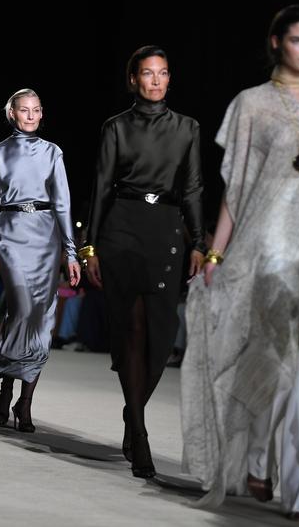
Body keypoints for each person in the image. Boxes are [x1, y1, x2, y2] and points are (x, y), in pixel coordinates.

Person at [181, 6, 299, 522]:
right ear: (277, 42)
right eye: (298, 40)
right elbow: (237, 186)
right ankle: (257, 456)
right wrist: (216, 251)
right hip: (268, 250)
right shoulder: (252, 105)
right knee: (267, 363)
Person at [83, 46, 205, 478]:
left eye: (163, 73)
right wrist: (90, 246)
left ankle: (132, 410)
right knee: (131, 330)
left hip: (167, 229)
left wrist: (200, 242)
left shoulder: (187, 128)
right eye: (147, 74)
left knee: (162, 333)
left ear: (170, 79)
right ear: (132, 79)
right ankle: (140, 431)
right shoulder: (116, 127)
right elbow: (100, 186)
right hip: (122, 228)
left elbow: (192, 189)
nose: (156, 81)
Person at [0, 88, 80, 432]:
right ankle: (7, 383)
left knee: (42, 318)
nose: (31, 115)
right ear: (12, 114)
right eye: (24, 110)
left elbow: (64, 203)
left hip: (46, 236)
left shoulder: (53, 152)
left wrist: (71, 252)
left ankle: (24, 401)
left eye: (36, 110)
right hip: (10, 236)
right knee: (23, 309)